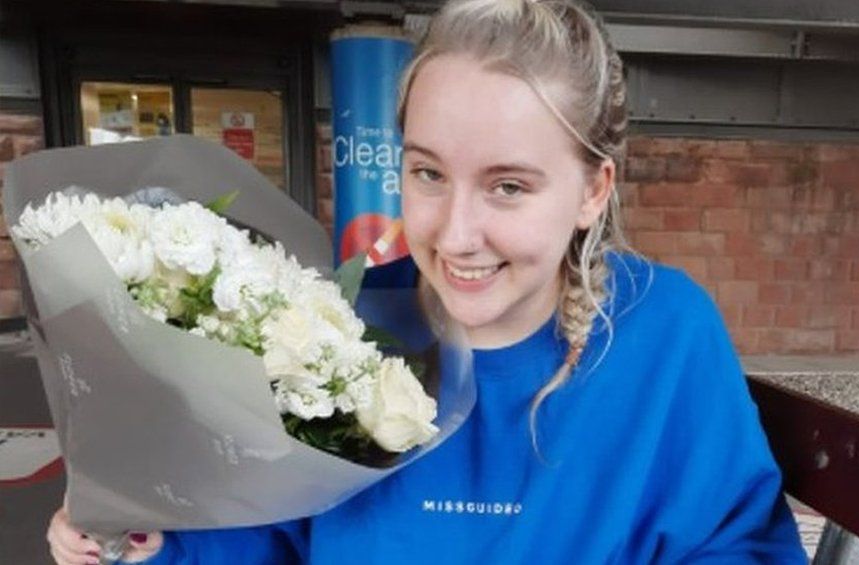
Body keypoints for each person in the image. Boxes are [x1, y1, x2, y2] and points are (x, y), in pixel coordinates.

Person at [48, 0, 807, 563]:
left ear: (592, 190)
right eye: (428, 173)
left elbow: (741, 546)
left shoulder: (665, 335)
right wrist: (137, 541)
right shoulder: (333, 323)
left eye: (508, 186)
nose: (454, 232)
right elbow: (258, 539)